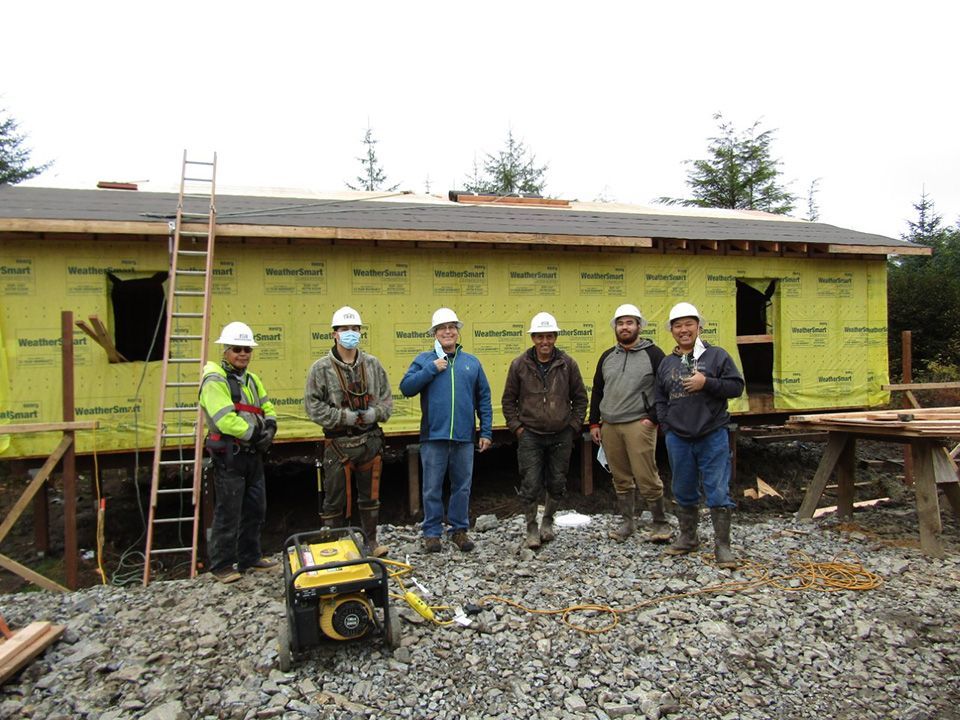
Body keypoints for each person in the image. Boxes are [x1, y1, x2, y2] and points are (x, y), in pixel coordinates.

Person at [654, 302, 744, 569]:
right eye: (678, 325)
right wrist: (666, 424)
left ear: (699, 327)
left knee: (717, 490)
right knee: (682, 489)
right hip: (678, 437)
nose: (684, 330)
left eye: (689, 324)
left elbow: (736, 387)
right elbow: (659, 396)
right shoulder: (667, 363)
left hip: (711, 434)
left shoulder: (716, 356)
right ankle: (688, 538)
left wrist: (707, 383)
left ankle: (723, 547)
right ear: (671, 330)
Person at [400, 307, 493, 553]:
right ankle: (432, 533)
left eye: (452, 327)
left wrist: (486, 431)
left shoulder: (471, 363)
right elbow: (406, 387)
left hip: (464, 437)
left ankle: (459, 530)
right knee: (432, 487)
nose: (448, 331)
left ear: (458, 332)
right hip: (433, 435)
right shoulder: (424, 360)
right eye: (443, 328)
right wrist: (431, 369)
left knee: (462, 486)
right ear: (435, 333)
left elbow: (483, 397)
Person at [304, 306, 394, 557]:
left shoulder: (373, 365)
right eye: (345, 329)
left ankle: (371, 543)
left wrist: (374, 414)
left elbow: (387, 402)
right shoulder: (320, 369)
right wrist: (344, 417)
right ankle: (335, 548)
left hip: (370, 442)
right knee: (334, 500)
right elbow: (313, 407)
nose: (350, 333)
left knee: (370, 496)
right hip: (338, 444)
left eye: (355, 329)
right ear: (334, 334)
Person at [200, 321, 279, 584]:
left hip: (252, 455)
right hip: (230, 455)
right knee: (228, 510)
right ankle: (222, 564)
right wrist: (256, 434)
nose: (243, 353)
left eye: (247, 349)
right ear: (225, 350)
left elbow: (267, 406)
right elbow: (224, 419)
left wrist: (271, 426)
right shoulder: (214, 381)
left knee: (256, 508)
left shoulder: (252, 380)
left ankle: (249, 557)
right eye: (237, 349)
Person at [502, 312, 588, 549]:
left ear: (555, 337)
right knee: (530, 482)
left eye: (549, 336)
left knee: (557, 481)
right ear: (533, 338)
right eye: (540, 337)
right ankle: (531, 526)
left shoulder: (567, 364)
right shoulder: (519, 365)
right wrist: (517, 428)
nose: (545, 342)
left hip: (561, 434)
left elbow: (580, 399)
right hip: (530, 434)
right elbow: (508, 400)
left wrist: (572, 427)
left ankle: (547, 522)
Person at [589, 303, 672, 544]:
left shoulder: (654, 354)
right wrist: (594, 423)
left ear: (639, 326)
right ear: (615, 327)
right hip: (610, 425)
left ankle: (660, 523)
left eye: (629, 322)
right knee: (620, 477)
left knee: (646, 475)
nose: (624, 327)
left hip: (638, 423)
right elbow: (598, 390)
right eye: (620, 323)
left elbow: (665, 388)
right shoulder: (607, 357)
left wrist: (654, 418)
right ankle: (628, 522)